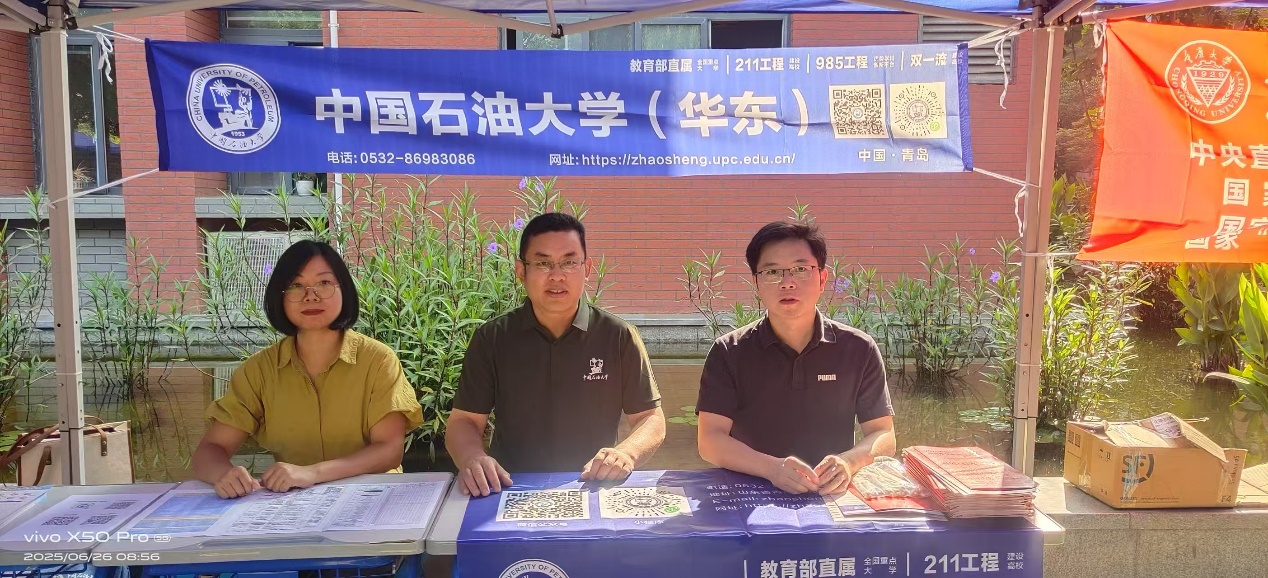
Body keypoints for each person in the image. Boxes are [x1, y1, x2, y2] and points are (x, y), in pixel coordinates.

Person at [446, 212, 666, 496]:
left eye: (569, 262)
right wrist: (472, 457)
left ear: (587, 269)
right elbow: (464, 421)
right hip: (509, 488)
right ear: (521, 271)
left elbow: (650, 417)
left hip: (592, 487)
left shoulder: (618, 336)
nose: (557, 275)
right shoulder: (492, 338)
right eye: (543, 263)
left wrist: (626, 453)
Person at [193, 240, 424, 499]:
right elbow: (211, 449)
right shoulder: (258, 371)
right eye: (296, 285)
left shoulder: (378, 360)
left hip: (371, 497)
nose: (310, 296)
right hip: (292, 502)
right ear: (280, 296)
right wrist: (223, 474)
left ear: (344, 290)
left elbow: (389, 450)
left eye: (324, 283)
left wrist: (312, 473)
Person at [696, 221, 896, 495]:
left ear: (822, 279)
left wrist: (850, 462)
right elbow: (710, 440)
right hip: (751, 491)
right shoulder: (729, 351)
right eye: (772, 272)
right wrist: (771, 469)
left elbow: (883, 433)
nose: (787, 283)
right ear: (756, 283)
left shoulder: (858, 348)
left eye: (801, 269)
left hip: (830, 492)